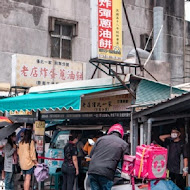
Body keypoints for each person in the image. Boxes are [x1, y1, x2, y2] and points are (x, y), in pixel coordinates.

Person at [88, 124, 129, 190]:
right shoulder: (123, 144)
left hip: (92, 171)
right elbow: (126, 162)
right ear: (121, 134)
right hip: (107, 173)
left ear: (109, 132)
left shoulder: (100, 139)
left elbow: (91, 154)